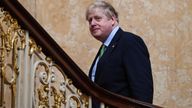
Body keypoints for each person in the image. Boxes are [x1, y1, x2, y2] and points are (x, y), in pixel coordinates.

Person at [86, 1, 153, 107]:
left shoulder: (129, 41)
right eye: (90, 20)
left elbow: (142, 89)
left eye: (97, 18)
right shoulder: (105, 48)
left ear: (112, 19)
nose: (92, 23)